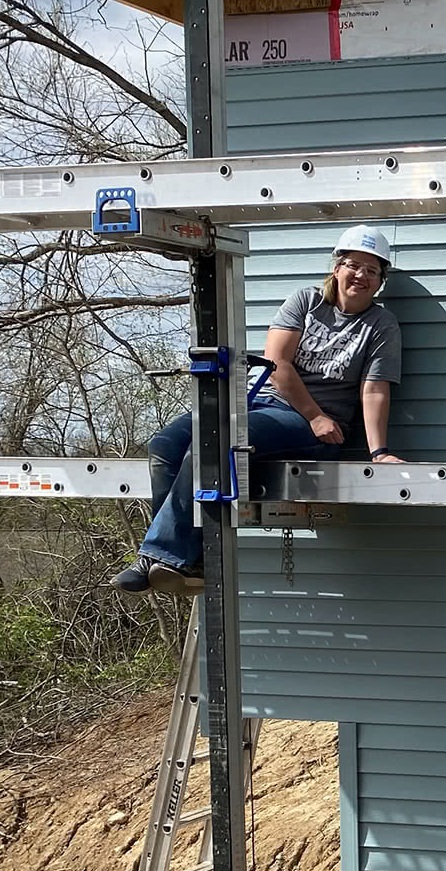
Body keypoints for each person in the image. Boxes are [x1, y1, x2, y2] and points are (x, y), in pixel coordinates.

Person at [111, 225, 404, 596]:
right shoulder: (305, 301)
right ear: (336, 268)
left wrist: (377, 451)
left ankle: (159, 556)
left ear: (380, 281)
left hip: (311, 427)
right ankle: (185, 557)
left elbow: (374, 389)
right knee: (165, 445)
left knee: (209, 445)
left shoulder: (380, 325)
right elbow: (277, 362)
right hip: (262, 404)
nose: (361, 275)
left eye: (372, 270)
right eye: (353, 264)